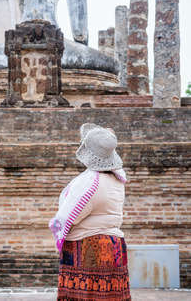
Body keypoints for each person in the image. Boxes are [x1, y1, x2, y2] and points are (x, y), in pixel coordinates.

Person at [49, 123, 131, 300]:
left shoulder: (89, 182)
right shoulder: (117, 179)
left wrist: (56, 229)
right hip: (115, 245)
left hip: (89, 247)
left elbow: (68, 217)